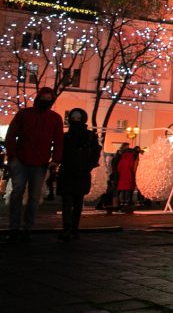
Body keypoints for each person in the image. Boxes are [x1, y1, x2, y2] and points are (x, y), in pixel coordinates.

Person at [4, 86, 64, 243]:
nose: (46, 101)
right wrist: (13, 157)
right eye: (44, 98)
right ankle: (15, 228)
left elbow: (58, 141)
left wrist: (55, 160)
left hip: (40, 162)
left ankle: (26, 229)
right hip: (22, 160)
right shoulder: (25, 115)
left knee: (33, 197)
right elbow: (11, 135)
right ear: (39, 98)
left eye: (48, 99)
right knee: (18, 193)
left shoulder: (55, 118)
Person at [57, 108, 101, 241]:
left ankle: (74, 228)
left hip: (81, 172)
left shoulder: (90, 136)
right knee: (67, 202)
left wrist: (89, 165)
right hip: (67, 172)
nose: (76, 120)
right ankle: (67, 228)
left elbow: (95, 153)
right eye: (74, 118)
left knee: (77, 202)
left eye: (78, 118)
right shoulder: (65, 136)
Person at [116, 144, 139, 211]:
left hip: (122, 177)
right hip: (129, 177)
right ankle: (127, 204)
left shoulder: (122, 158)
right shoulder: (131, 158)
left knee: (123, 190)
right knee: (128, 191)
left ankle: (122, 203)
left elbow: (119, 168)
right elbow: (133, 167)